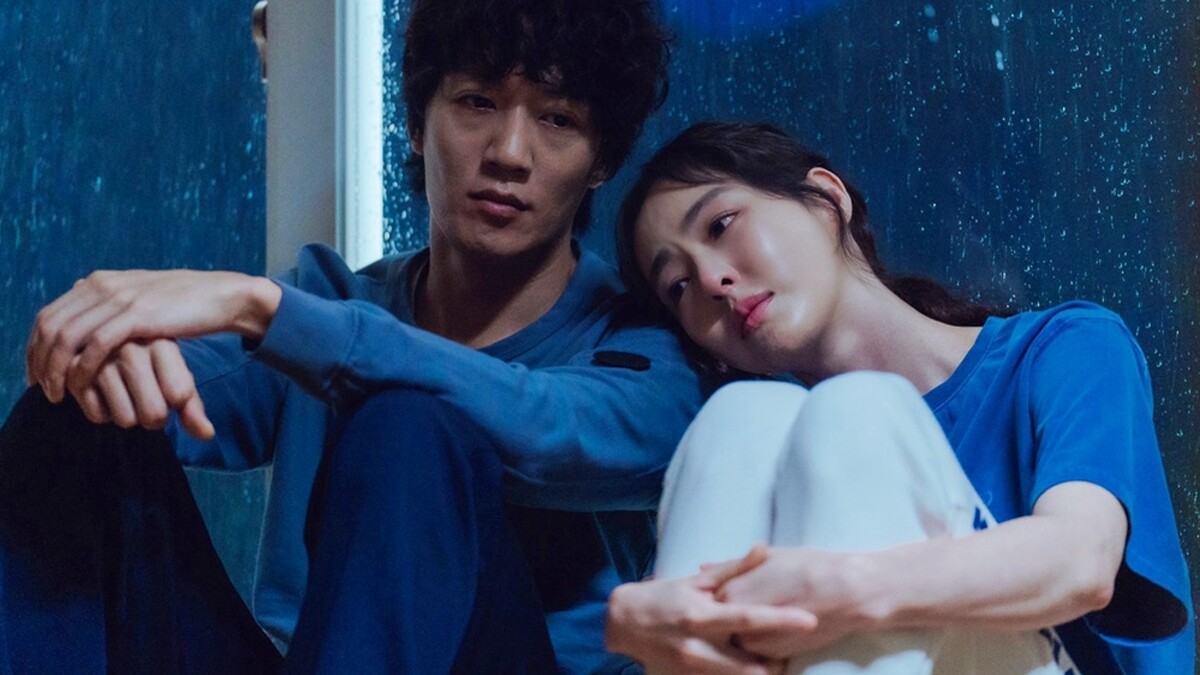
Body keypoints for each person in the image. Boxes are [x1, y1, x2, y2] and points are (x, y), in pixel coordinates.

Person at [1, 1, 707, 673]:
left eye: (557, 119)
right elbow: (174, 386)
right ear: (417, 123)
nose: (509, 153)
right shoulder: (334, 304)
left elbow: (551, 428)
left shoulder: (647, 345)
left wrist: (258, 307)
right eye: (477, 103)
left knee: (409, 426)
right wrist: (106, 350)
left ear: (601, 160)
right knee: (80, 410)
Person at [603, 121, 1194, 674]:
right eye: (678, 285)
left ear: (827, 200)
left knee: (855, 412)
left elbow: (1081, 563)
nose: (712, 281)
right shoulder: (760, 447)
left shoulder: (1064, 347)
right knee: (741, 417)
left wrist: (847, 587)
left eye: (722, 225)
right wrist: (633, 620)